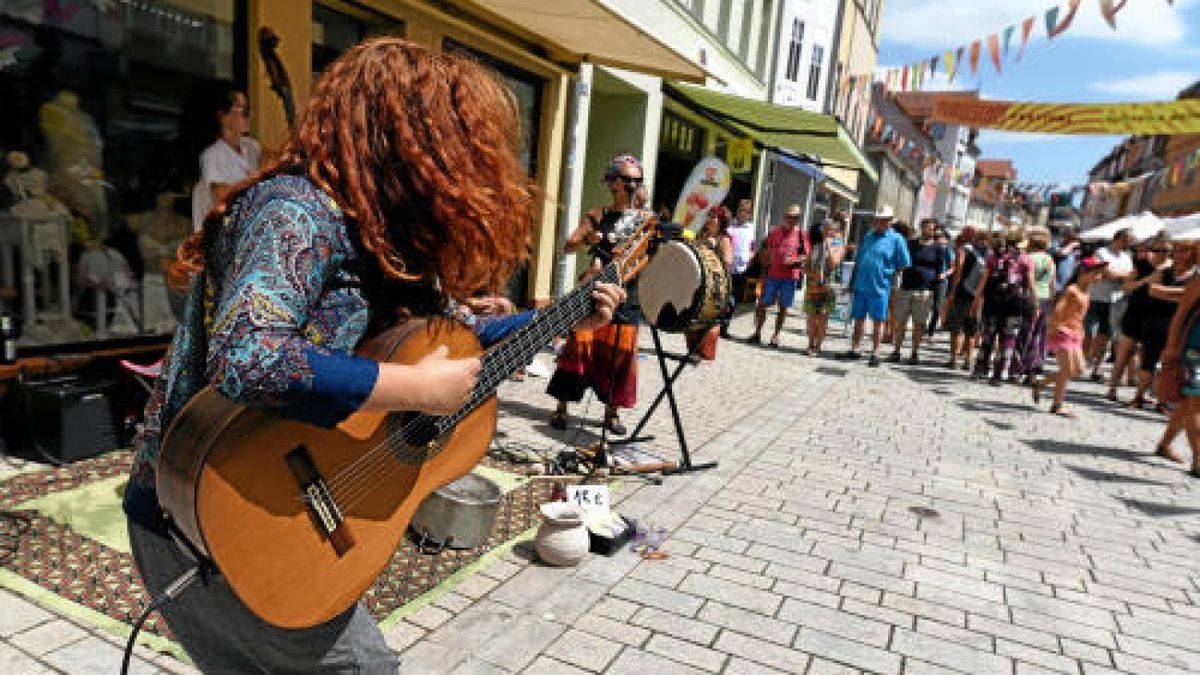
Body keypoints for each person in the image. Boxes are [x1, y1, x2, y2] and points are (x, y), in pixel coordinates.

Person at [122, 38, 625, 672]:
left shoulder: (377, 231)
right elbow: (247, 356)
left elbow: (456, 347)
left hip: (283, 509)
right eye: (453, 145)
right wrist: (414, 391)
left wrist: (564, 315)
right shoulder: (295, 210)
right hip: (206, 516)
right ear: (404, 139)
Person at [547, 154, 646, 435]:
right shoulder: (598, 215)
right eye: (626, 179)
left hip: (628, 295)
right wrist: (588, 239)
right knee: (579, 347)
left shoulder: (645, 221)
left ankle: (611, 414)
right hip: (595, 291)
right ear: (613, 182)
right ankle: (562, 407)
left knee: (620, 353)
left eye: (637, 181)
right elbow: (568, 246)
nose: (632, 185)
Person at [1120, 238, 1197, 409]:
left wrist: (1176, 294)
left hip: (1180, 325)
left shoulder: (1196, 275)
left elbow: (1193, 296)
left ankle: (1162, 401)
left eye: (1182, 250)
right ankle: (1139, 396)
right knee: (1147, 361)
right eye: (1175, 250)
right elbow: (1153, 291)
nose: (1177, 254)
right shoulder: (1165, 271)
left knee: (1169, 363)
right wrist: (1184, 294)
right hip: (1154, 322)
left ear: (1192, 253)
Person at [1033, 256, 1108, 418]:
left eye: (1100, 274)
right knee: (1068, 370)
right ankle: (1057, 405)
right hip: (1063, 332)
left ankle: (1040, 384)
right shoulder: (1072, 289)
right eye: (1096, 273)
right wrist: (1054, 326)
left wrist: (1081, 332)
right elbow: (1058, 309)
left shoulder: (1086, 292)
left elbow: (1079, 315)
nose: (1099, 277)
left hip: (1075, 334)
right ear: (1084, 273)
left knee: (1078, 369)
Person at [841, 206, 910, 367]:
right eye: (877, 220)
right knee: (858, 319)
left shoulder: (897, 239)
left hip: (880, 287)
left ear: (889, 222)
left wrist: (888, 273)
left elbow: (904, 263)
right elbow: (859, 259)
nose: (878, 223)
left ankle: (875, 352)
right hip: (861, 285)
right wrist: (852, 282)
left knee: (878, 321)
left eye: (882, 220)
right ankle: (855, 348)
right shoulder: (868, 235)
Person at [972, 227, 1038, 385]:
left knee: (988, 336)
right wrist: (1035, 303)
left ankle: (980, 368)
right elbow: (1030, 284)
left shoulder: (994, 256)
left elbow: (984, 280)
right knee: (1008, 339)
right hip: (1014, 304)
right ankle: (999, 373)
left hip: (993, 302)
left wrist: (976, 300)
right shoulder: (1025, 259)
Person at [190, 84, 260, 232]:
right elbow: (221, 197)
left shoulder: (250, 147)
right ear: (223, 117)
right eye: (244, 111)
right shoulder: (212, 155)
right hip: (220, 239)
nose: (250, 116)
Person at [748, 203, 806, 348]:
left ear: (797, 219)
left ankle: (776, 335)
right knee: (762, 304)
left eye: (794, 218)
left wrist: (795, 260)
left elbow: (805, 255)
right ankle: (757, 332)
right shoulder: (775, 232)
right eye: (788, 217)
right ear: (784, 217)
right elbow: (765, 247)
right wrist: (764, 262)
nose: (791, 220)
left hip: (790, 276)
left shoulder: (801, 235)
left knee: (783, 307)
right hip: (772, 275)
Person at [890, 218, 945, 364]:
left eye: (932, 229)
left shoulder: (938, 249)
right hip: (906, 287)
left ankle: (914, 353)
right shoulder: (910, 244)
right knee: (900, 322)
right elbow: (901, 261)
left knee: (918, 324)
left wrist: (935, 289)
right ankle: (896, 351)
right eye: (926, 227)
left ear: (934, 231)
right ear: (921, 228)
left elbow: (940, 271)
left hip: (924, 291)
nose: (929, 231)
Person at [1084, 229, 1134, 381]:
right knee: (1089, 333)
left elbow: (1130, 276)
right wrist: (1119, 275)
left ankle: (1097, 367)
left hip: (1115, 300)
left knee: (1105, 336)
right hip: (1096, 297)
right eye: (1128, 239)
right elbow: (1105, 272)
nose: (1130, 243)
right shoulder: (1101, 252)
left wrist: (1116, 275)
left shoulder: (1127, 257)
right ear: (1119, 238)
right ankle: (1084, 359)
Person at [685, 207, 734, 360]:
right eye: (709, 215)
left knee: (710, 317)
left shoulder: (724, 239)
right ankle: (692, 349)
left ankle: (704, 351)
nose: (708, 218)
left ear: (720, 221)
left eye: (713, 216)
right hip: (698, 283)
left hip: (716, 286)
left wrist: (713, 248)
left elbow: (728, 262)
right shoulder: (701, 233)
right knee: (693, 313)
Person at [1012, 226, 1056, 384]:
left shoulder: (1027, 258)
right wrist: (1052, 302)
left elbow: (1022, 280)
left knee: (1023, 333)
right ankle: (1032, 369)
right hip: (1045, 299)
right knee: (1038, 335)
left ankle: (1017, 369)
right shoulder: (1050, 260)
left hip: (1029, 297)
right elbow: (1053, 283)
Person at [941, 227, 985, 370]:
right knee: (970, 330)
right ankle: (968, 360)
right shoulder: (984, 252)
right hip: (976, 296)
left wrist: (952, 292)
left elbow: (958, 271)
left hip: (962, 293)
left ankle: (953, 359)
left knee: (956, 328)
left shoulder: (963, 250)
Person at [803, 217, 846, 356]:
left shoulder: (839, 247)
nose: (827, 232)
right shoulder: (815, 246)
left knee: (822, 318)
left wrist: (829, 246)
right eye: (825, 229)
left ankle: (818, 346)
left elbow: (834, 264)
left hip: (828, 289)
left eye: (830, 230)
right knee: (811, 318)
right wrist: (812, 274)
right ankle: (810, 344)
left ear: (834, 232)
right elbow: (805, 267)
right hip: (813, 287)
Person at [726, 198, 757, 332]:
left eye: (747, 211)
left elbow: (753, 247)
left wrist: (750, 258)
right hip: (727, 268)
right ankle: (719, 325)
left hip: (741, 270)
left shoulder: (751, 228)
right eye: (741, 210)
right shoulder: (729, 225)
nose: (743, 213)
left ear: (750, 214)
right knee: (725, 298)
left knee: (734, 299)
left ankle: (724, 327)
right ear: (737, 211)